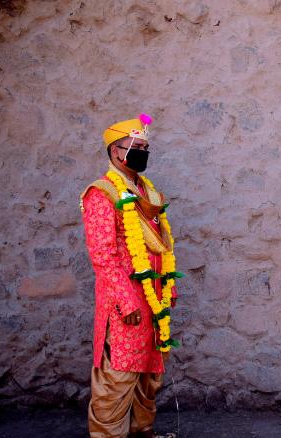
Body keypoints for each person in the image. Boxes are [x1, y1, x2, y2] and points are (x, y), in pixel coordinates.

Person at [80, 114, 181, 438]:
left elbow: (163, 246)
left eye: (146, 148)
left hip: (153, 295)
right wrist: (125, 299)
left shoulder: (148, 192)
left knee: (149, 372)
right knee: (118, 374)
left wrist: (167, 288)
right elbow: (103, 255)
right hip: (124, 299)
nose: (143, 153)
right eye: (137, 147)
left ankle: (141, 431)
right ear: (115, 151)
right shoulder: (101, 193)